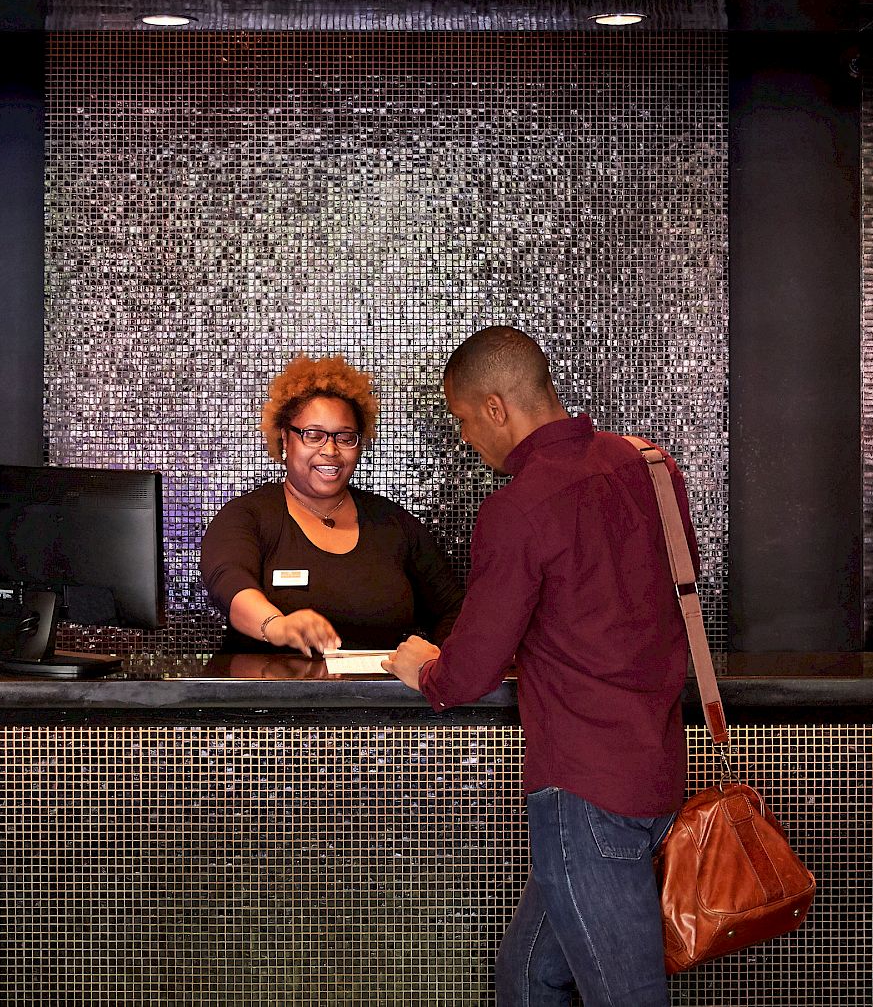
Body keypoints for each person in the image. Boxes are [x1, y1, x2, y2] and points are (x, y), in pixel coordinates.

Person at [384, 327, 693, 1007]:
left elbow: (468, 673)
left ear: (497, 407)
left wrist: (423, 668)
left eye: (463, 420)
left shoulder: (518, 509)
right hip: (658, 772)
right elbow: (660, 601)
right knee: (527, 977)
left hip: (586, 795)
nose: (466, 438)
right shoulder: (650, 466)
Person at [201, 353, 463, 656]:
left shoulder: (392, 524)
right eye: (313, 435)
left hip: (379, 699)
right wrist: (276, 625)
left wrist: (441, 663)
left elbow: (453, 611)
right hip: (268, 699)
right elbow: (229, 582)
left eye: (345, 437)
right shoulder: (248, 516)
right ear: (285, 439)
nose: (330, 449)